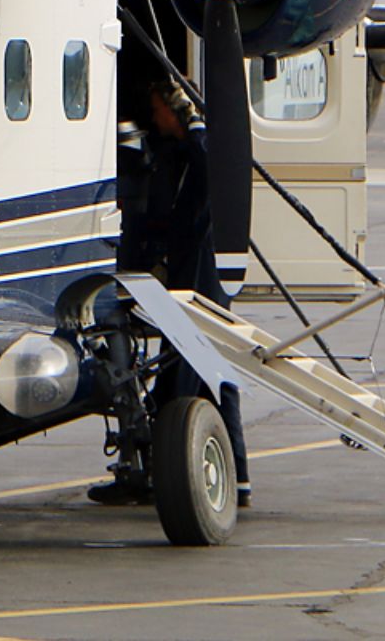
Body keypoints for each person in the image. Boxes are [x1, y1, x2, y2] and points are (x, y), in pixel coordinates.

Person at [91, 50, 251, 508]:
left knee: (195, 382)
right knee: (196, 382)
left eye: (161, 109)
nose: (155, 118)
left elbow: (210, 161)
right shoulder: (170, 156)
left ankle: (204, 477)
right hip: (181, 283)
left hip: (200, 284)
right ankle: (220, 478)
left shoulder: (196, 159)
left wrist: (195, 121)